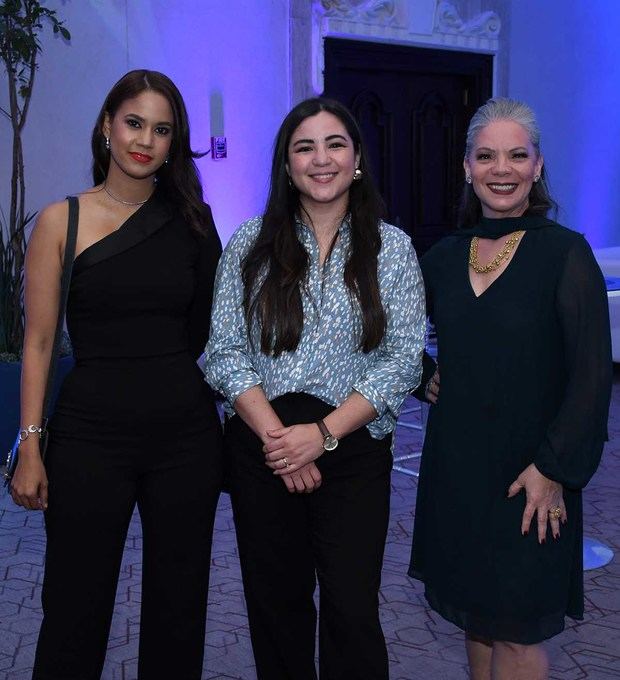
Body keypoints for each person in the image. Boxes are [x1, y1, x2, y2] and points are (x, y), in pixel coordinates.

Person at [10, 69, 223, 679]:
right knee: (74, 606)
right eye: (134, 123)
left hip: (184, 438)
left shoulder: (196, 222)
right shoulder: (61, 220)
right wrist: (30, 445)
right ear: (106, 127)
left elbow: (206, 332)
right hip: (88, 437)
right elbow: (40, 342)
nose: (145, 140)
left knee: (179, 609)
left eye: (161, 130)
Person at [204, 97, 425, 680]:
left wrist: (322, 435)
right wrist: (283, 442)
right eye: (304, 147)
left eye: (334, 144)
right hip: (264, 446)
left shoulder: (393, 247)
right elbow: (223, 351)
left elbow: (404, 358)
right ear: (286, 164)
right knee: (276, 608)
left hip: (353, 447)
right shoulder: (250, 243)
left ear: (356, 160)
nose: (320, 158)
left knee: (353, 610)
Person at [409, 97, 612, 680]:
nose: (503, 169)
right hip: (458, 468)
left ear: (538, 166)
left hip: (533, 473)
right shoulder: (444, 257)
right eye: (487, 156)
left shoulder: (565, 254)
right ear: (467, 167)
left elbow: (592, 376)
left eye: (517, 155)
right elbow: (391, 335)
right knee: (477, 618)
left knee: (520, 631)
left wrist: (554, 469)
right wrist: (425, 374)